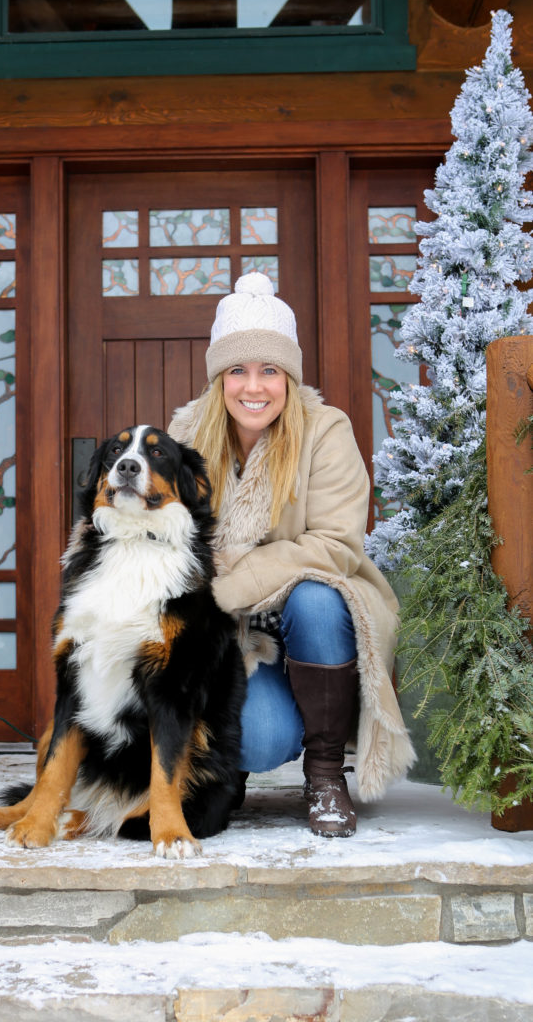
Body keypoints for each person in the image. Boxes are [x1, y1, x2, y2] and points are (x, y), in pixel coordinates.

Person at [169, 271, 415, 838]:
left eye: (269, 370)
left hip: (313, 621)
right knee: (257, 738)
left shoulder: (325, 431)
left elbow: (332, 546)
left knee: (317, 597)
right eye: (238, 370)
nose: (253, 387)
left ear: (288, 375)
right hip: (237, 636)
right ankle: (228, 769)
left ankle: (327, 773)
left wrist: (226, 582)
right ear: (219, 377)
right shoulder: (186, 436)